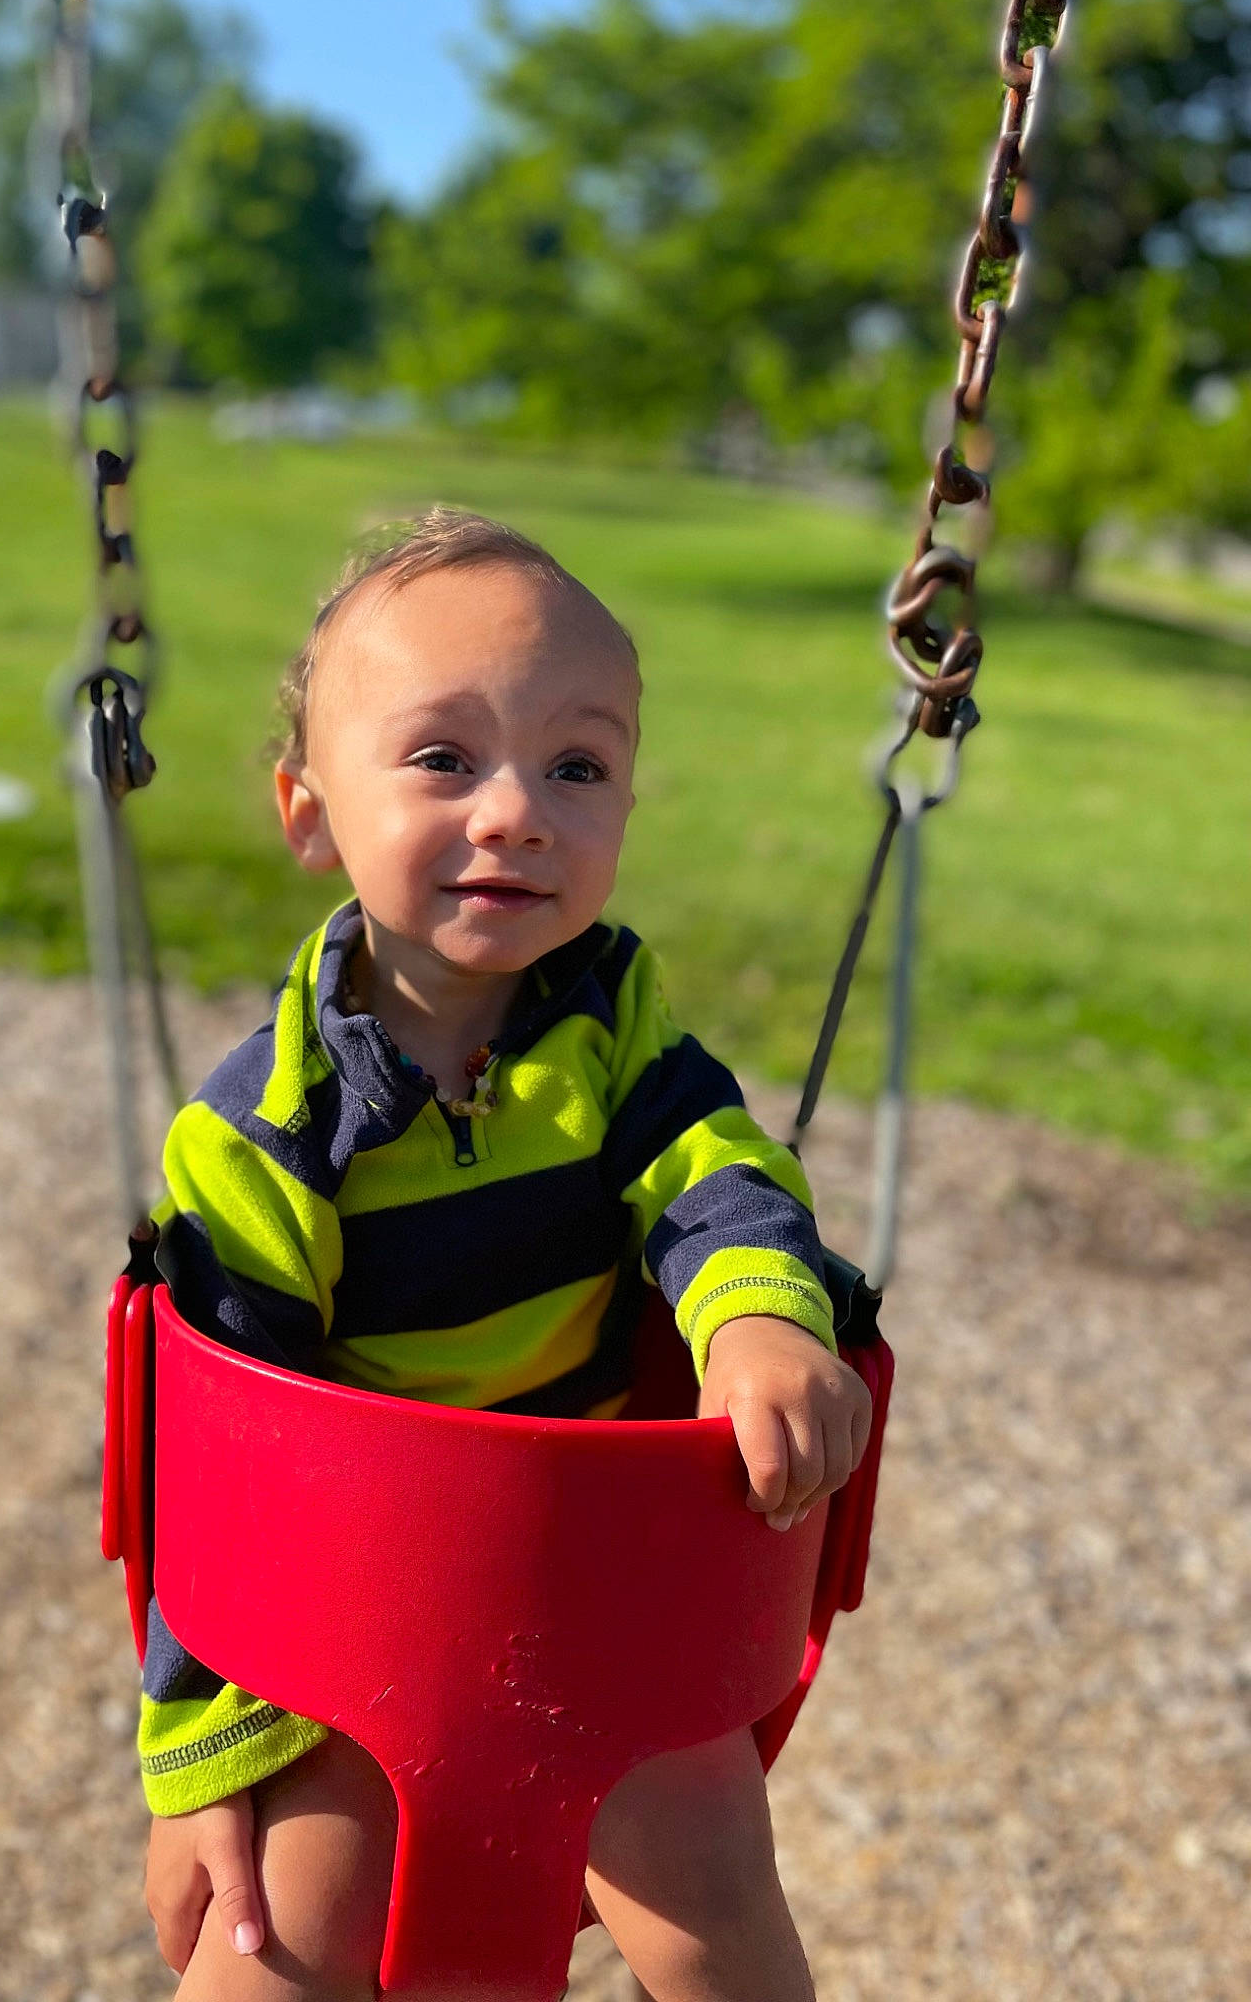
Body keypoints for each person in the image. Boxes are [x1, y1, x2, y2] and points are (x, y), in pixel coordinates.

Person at [137, 508, 873, 2002]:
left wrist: (758, 1326)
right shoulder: (267, 1135)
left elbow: (715, 1175)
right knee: (274, 1940)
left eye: (579, 766)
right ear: (307, 812)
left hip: (594, 1581)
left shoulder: (613, 1027)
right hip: (352, 1616)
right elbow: (221, 1478)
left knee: (719, 1899)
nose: (517, 811)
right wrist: (191, 1766)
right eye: (443, 759)